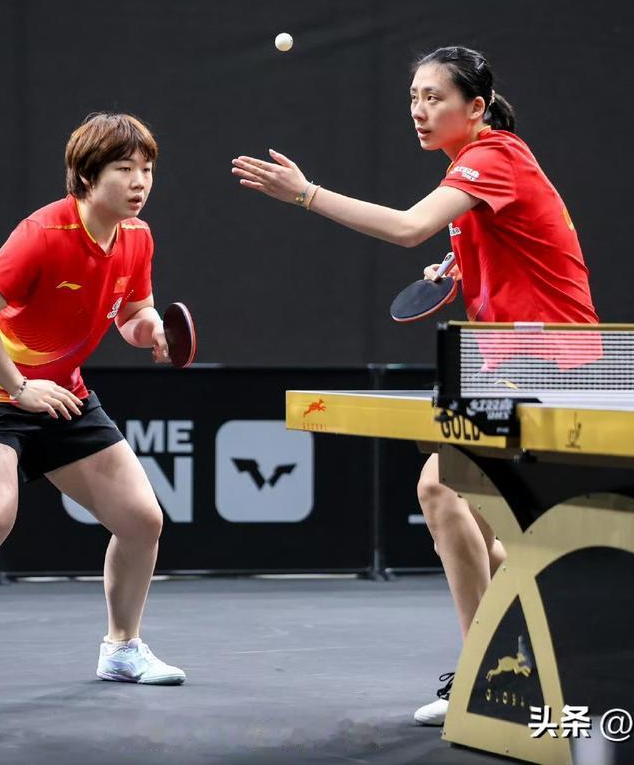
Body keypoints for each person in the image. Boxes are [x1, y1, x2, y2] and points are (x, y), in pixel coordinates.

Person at [231, 46, 597, 725]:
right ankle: (524, 660)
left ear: (476, 107)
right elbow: (513, 245)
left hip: (548, 360)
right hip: (510, 362)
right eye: (413, 99)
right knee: (483, 523)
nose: (419, 111)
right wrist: (459, 264)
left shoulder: (495, 156)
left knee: (440, 488)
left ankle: (492, 673)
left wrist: (305, 194)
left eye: (434, 97)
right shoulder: (474, 173)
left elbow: (406, 228)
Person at [0, 112, 186, 703]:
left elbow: (131, 313)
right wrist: (19, 385)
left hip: (62, 393)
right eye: (124, 169)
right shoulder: (43, 234)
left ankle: (122, 649)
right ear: (87, 175)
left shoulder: (136, 237)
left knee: (142, 519)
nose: (140, 182)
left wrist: (150, 328)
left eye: (147, 169)